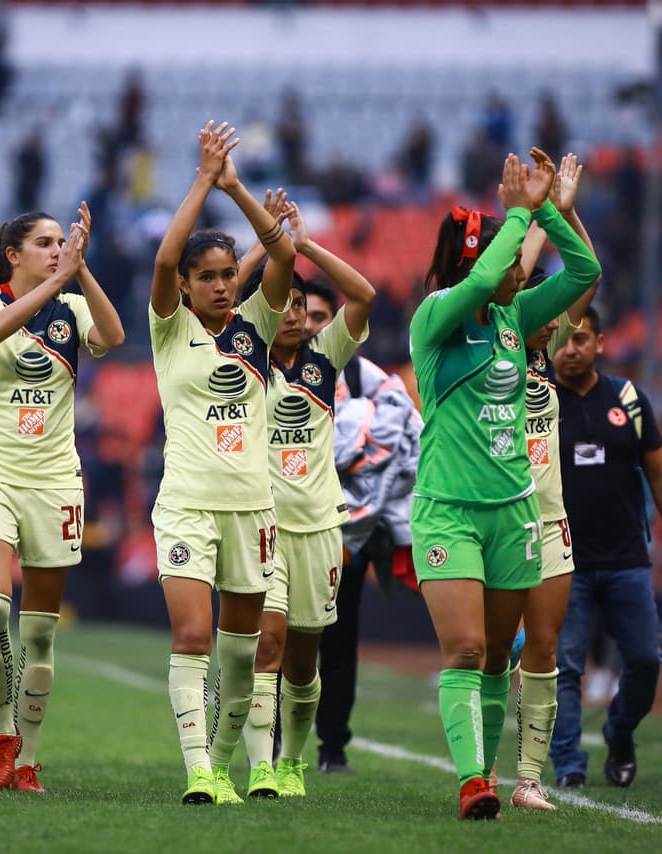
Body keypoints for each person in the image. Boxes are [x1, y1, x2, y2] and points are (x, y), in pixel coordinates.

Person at [408, 149, 600, 820]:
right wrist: (519, 215)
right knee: (464, 649)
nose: (521, 271)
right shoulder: (436, 317)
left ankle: (489, 775)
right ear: (479, 261)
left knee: (496, 659)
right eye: (513, 260)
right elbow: (488, 276)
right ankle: (472, 783)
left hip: (514, 513)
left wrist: (549, 209)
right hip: (448, 512)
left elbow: (586, 272)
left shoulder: (515, 319)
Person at [150, 121, 294, 805]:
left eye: (225, 275)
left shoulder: (257, 326)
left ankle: (226, 761)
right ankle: (198, 772)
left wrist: (235, 188)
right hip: (185, 505)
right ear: (185, 286)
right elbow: (162, 260)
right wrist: (202, 180)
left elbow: (283, 254)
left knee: (243, 654)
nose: (218, 286)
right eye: (203, 277)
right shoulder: (169, 328)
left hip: (252, 511)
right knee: (191, 636)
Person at [0, 200, 125, 794]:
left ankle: (27, 757)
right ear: (13, 254)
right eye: (46, 243)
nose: (58, 250)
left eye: (63, 242)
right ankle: (2, 734)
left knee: (39, 633)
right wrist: (59, 279)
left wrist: (80, 271)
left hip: (54, 481)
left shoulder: (72, 307)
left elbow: (113, 336)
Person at [238, 194, 373, 799]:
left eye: (301, 305)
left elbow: (364, 295)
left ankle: (293, 760)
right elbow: (221, 305)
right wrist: (268, 244)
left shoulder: (325, 359)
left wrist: (306, 243)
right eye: (285, 303)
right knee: (266, 646)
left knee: (303, 659)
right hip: (262, 526)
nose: (293, 314)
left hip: (320, 527)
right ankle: (263, 767)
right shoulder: (242, 360)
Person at [549, 306, 662, 790]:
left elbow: (661, 473)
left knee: (646, 659)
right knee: (564, 668)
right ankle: (568, 765)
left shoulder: (628, 399)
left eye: (581, 340)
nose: (571, 350)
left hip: (627, 557)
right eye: (564, 340)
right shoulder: (537, 399)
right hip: (561, 559)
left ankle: (620, 730)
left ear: (600, 343)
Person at [508, 153, 600, 811]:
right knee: (489, 652)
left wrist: (565, 212)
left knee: (545, 649)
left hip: (548, 518)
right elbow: (516, 277)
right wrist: (537, 211)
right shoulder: (500, 339)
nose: (558, 322)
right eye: (546, 310)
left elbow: (587, 274)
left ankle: (529, 778)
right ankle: (476, 769)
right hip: (495, 512)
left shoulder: (546, 349)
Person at [316, 325, 421, 775]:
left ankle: (333, 746)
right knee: (277, 640)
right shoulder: (273, 371)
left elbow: (401, 436)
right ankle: (271, 742)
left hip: (348, 533)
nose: (313, 326)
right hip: (287, 529)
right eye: (307, 315)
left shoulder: (364, 378)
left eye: (324, 318)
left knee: (339, 644)